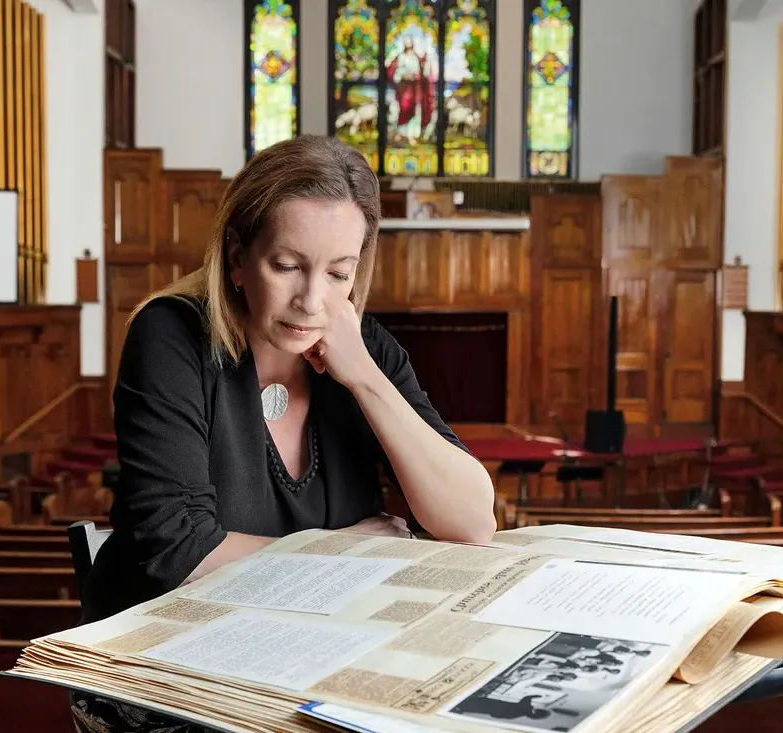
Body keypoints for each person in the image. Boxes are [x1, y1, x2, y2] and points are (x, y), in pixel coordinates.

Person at [69, 135, 496, 733]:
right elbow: (180, 551)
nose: (312, 300)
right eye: (288, 265)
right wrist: (351, 552)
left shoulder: (362, 346)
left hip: (305, 654)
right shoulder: (171, 337)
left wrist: (367, 381)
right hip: (170, 668)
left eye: (339, 273)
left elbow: (473, 521)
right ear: (238, 257)